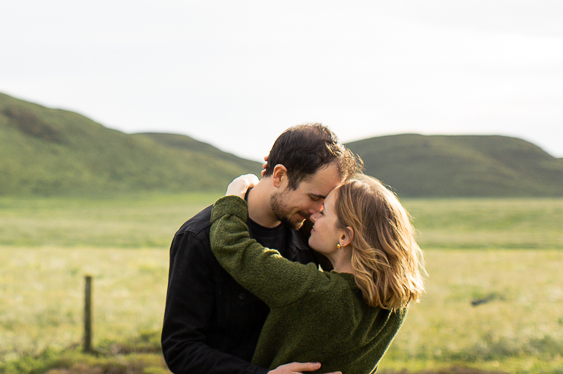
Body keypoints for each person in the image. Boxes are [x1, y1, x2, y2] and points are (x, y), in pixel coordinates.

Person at [161, 124, 361, 374]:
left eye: (326, 201)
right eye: (314, 197)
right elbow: (180, 348)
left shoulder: (315, 232)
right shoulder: (198, 237)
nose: (318, 210)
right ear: (279, 176)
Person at [208, 173, 426, 374]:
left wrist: (234, 194)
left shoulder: (312, 290)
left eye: (323, 212)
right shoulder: (395, 306)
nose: (313, 217)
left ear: (344, 238)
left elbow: (232, 245)